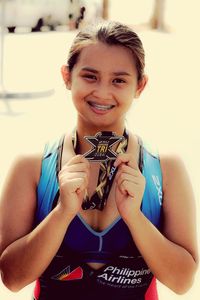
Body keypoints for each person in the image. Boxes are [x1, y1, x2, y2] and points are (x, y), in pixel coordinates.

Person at [0, 21, 198, 300]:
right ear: (67, 76)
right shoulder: (31, 167)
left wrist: (135, 217)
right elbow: (12, 278)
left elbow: (182, 281)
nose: (102, 93)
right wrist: (61, 214)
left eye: (119, 80)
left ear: (140, 85)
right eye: (90, 76)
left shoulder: (166, 169)